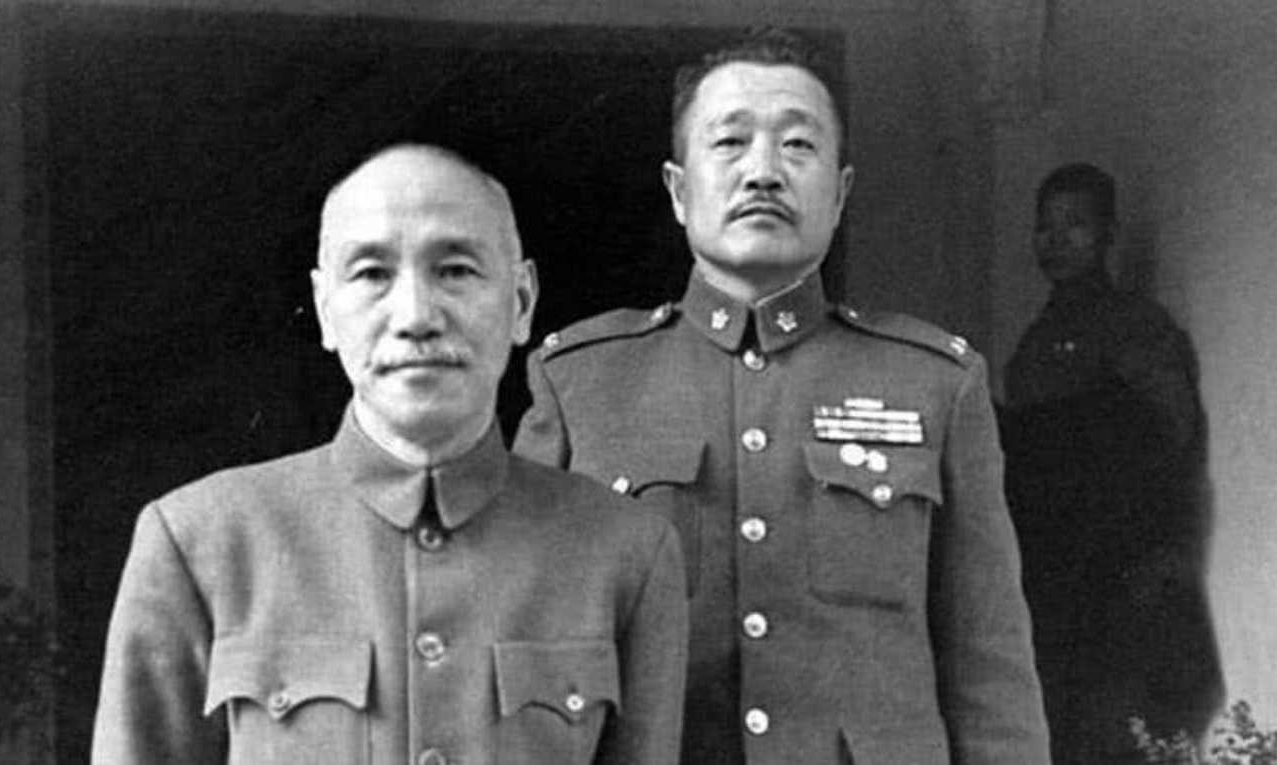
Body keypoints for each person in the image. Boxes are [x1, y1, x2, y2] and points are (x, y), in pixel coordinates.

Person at [514, 29, 1049, 765]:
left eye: (797, 146)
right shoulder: (581, 383)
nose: (762, 172)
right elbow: (522, 657)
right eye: (729, 143)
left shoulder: (936, 386)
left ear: (841, 192)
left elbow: (990, 671)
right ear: (678, 190)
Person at [92, 145, 687, 765]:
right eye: (372, 274)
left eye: (456, 270)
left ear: (521, 302)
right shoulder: (199, 543)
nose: (416, 317)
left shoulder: (626, 553)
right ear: (324, 308)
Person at [1000, 162, 1223, 765]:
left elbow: (1166, 434)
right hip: (1053, 570)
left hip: (1120, 568)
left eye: (1075, 224)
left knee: (1114, 729)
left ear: (1109, 233)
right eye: (1045, 227)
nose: (1056, 241)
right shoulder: (1036, 341)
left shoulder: (1133, 325)